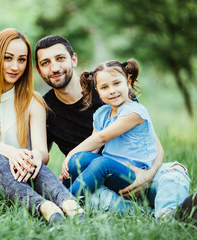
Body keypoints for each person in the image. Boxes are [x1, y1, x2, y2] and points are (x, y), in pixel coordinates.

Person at [60, 59, 197, 224]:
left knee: (101, 164)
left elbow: (102, 138)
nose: (111, 91)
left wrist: (70, 152)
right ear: (97, 90)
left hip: (135, 174)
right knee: (78, 161)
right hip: (116, 176)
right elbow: (94, 147)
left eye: (116, 83)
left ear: (128, 82)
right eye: (104, 87)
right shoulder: (101, 114)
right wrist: (70, 166)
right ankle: (61, 195)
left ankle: (169, 214)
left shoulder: (134, 111)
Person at [0, 28, 83, 223]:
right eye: (8, 58)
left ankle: (70, 206)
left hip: (23, 182)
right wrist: (14, 153)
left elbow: (43, 152)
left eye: (22, 60)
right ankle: (46, 208)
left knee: (33, 159)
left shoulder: (34, 101)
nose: (15, 66)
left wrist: (32, 156)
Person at [34, 35, 163, 199]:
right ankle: (64, 202)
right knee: (93, 192)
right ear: (39, 70)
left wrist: (149, 174)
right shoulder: (45, 108)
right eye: (45, 63)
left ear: (73, 60)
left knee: (173, 173)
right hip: (87, 181)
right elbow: (40, 154)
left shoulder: (109, 91)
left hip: (126, 171)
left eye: (60, 58)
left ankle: (64, 203)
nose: (54, 68)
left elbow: (151, 139)